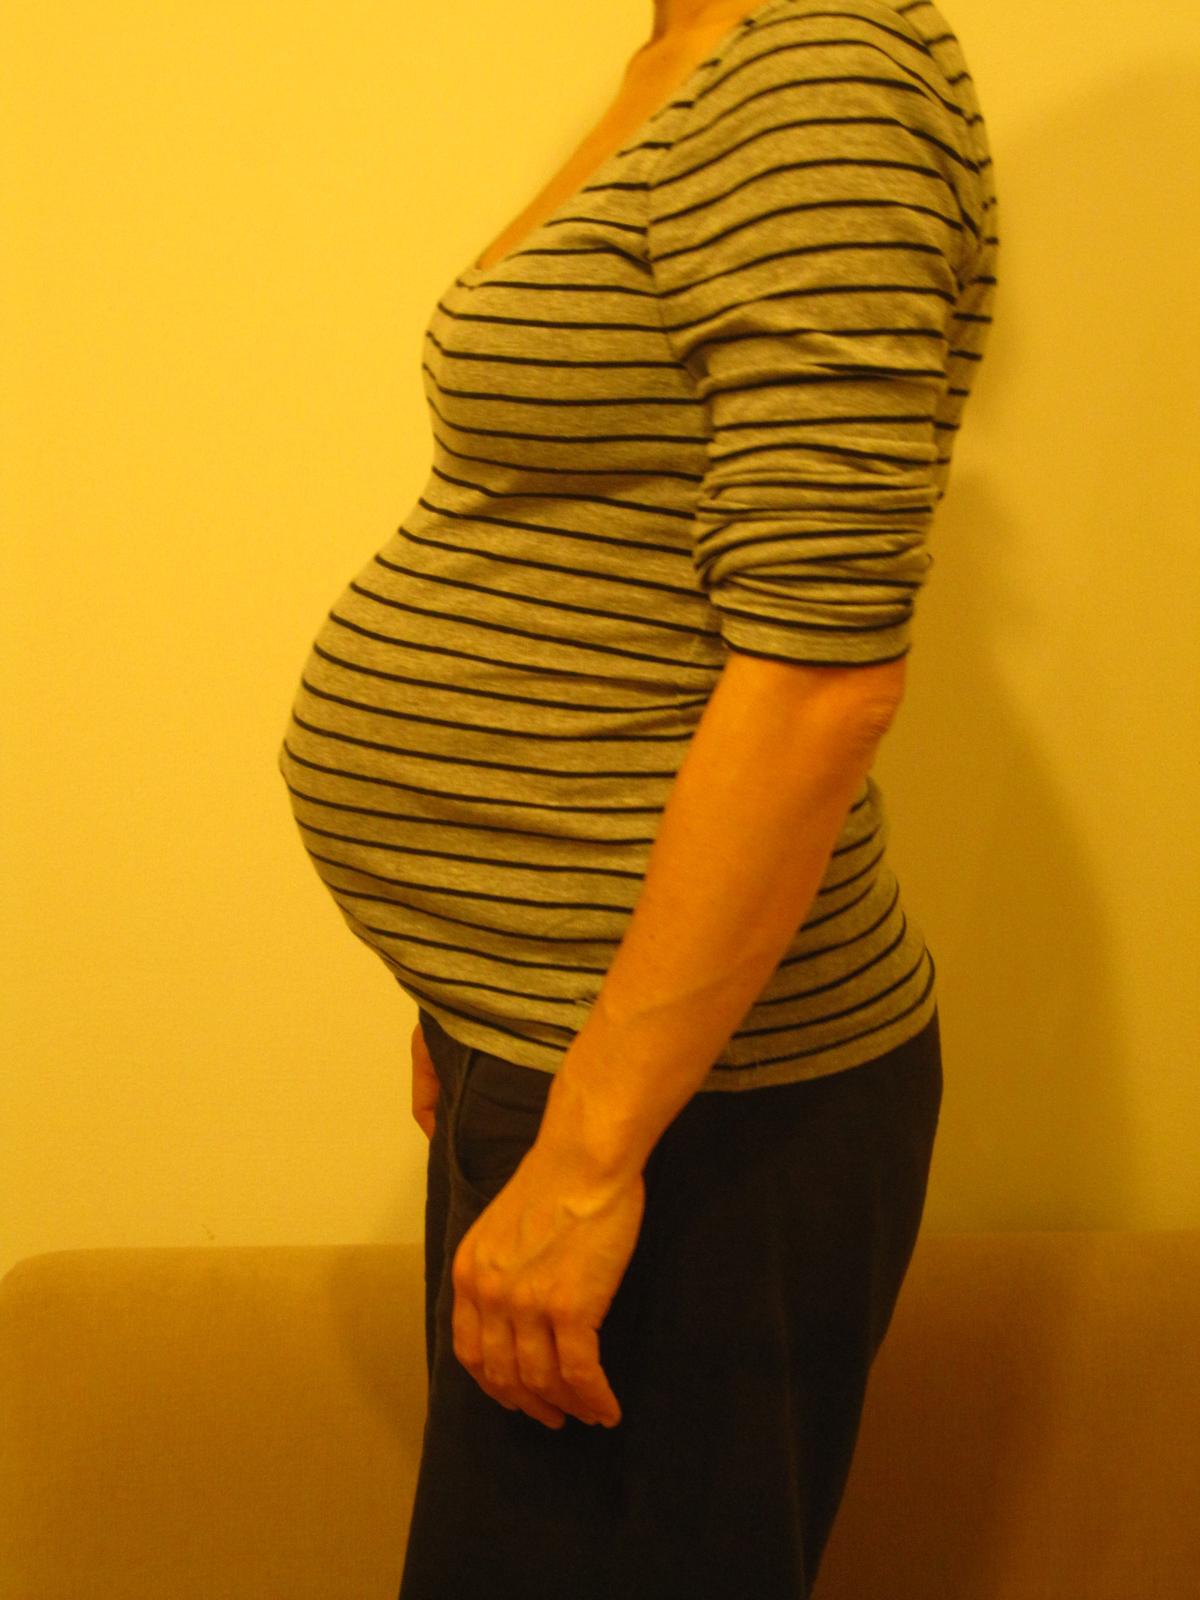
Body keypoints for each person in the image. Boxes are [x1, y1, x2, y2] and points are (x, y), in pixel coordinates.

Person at [277, 0, 999, 1593]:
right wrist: (464, 974)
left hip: (690, 1119)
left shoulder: (824, 73)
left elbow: (819, 673)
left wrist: (595, 1153)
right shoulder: (686, 57)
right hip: (569, 1048)